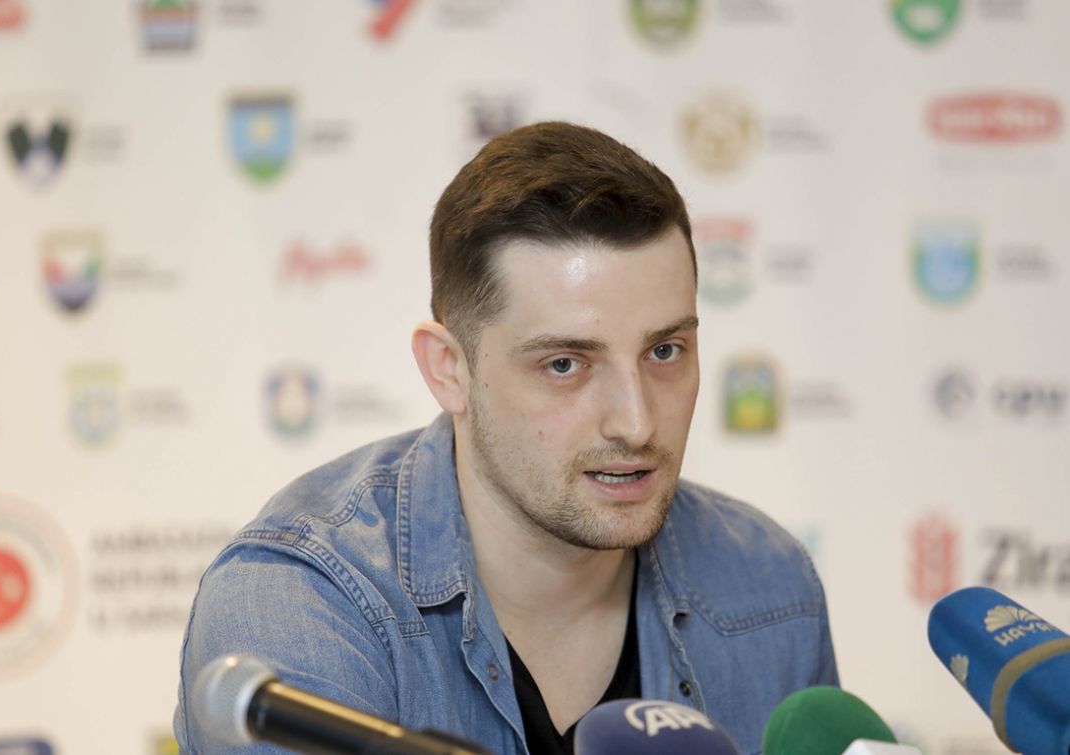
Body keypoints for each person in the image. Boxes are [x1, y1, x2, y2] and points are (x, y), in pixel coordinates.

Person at [173, 121, 838, 755]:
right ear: (449, 369)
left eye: (665, 351)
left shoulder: (768, 587)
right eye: (565, 364)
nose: (637, 423)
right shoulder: (300, 602)